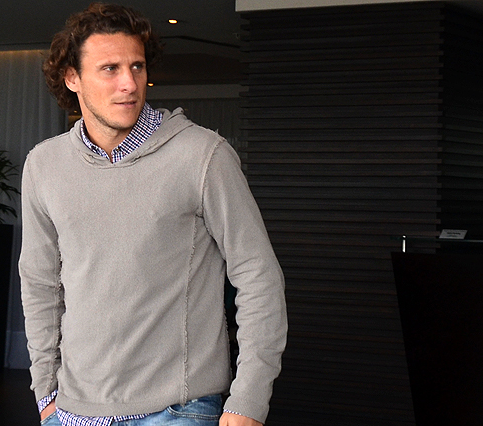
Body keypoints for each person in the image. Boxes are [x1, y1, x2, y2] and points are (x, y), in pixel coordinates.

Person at [19, 3, 286, 426]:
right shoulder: (44, 165)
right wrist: (45, 392)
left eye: (137, 66)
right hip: (71, 411)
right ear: (72, 78)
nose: (129, 83)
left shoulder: (202, 156)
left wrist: (248, 400)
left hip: (177, 411)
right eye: (110, 69)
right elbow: (40, 284)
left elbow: (258, 276)